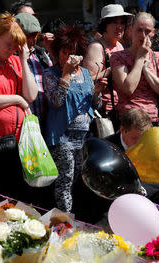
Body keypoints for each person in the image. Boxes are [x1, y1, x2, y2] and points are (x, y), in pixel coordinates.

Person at [43, 24, 106, 213]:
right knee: (65, 180)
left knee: (81, 179)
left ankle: (82, 218)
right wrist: (66, 75)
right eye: (65, 52)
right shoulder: (50, 74)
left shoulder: (86, 74)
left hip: (84, 137)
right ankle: (65, 222)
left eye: (74, 53)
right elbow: (56, 101)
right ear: (57, 52)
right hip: (62, 137)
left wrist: (97, 93)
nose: (70, 58)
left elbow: (97, 106)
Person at [0, 12, 38, 201]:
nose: (11, 49)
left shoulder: (15, 61)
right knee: (3, 197)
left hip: (21, 141)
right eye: (8, 44)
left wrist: (23, 60)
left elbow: (31, 95)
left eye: (15, 46)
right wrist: (16, 100)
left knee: (23, 198)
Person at [82, 4, 132, 130]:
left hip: (121, 111)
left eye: (122, 22)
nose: (119, 27)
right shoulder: (96, 47)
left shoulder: (119, 46)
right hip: (105, 114)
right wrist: (112, 69)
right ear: (105, 25)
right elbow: (85, 81)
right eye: (115, 23)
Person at [111, 12, 159, 127]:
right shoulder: (118, 57)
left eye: (148, 31)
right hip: (132, 121)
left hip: (158, 118)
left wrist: (147, 71)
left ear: (153, 33)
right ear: (130, 31)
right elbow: (128, 88)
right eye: (139, 30)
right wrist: (140, 59)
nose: (143, 36)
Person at [15, 12, 53, 130]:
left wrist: (53, 50)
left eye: (36, 35)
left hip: (46, 123)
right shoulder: (9, 58)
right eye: (28, 35)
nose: (33, 40)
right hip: (23, 126)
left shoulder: (41, 55)